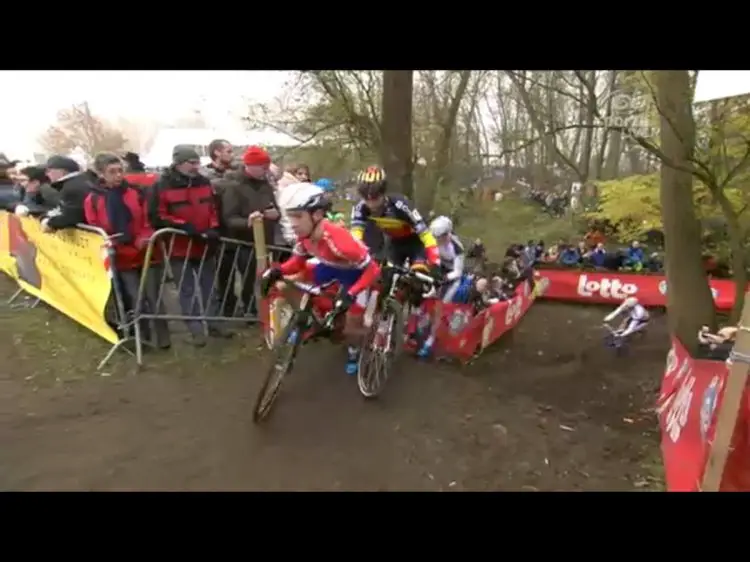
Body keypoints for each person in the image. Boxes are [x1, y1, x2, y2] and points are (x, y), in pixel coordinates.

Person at [260, 183, 381, 376]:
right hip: (329, 267)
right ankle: (310, 318)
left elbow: (373, 270)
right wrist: (276, 270)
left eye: (298, 216)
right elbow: (297, 262)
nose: (293, 223)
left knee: (350, 328)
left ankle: (356, 347)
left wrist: (351, 294)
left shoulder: (340, 242)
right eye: (290, 216)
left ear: (316, 215)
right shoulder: (305, 235)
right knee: (283, 284)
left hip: (357, 275)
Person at [83, 152, 171, 350]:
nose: (118, 175)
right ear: (101, 174)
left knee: (154, 296)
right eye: (112, 172)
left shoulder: (136, 192)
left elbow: (148, 218)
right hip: (122, 257)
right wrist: (115, 245)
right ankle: (143, 339)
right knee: (134, 299)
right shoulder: (93, 199)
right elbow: (96, 228)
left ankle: (164, 339)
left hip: (147, 253)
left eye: (120, 170)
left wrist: (145, 236)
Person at [147, 145, 231, 346]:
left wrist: (213, 227)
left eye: (197, 162)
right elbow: (157, 215)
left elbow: (212, 208)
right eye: (191, 163)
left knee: (209, 287)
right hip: (179, 246)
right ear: (178, 163)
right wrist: (184, 226)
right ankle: (195, 330)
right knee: (187, 290)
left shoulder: (204, 182)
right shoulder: (161, 185)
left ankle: (214, 323)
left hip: (205, 245)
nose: (196, 167)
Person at [350, 166, 441, 337]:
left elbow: (426, 235)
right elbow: (356, 239)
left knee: (417, 281)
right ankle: (384, 317)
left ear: (383, 192)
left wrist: (435, 263)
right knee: (384, 280)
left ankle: (414, 318)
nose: (371, 201)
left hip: (416, 243)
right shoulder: (360, 209)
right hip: (395, 244)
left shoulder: (400, 204)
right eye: (365, 196)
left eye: (375, 195)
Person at [218, 145, 280, 315]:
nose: (266, 170)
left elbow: (275, 208)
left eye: (267, 167)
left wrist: (276, 214)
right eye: (262, 167)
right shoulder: (233, 186)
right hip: (244, 243)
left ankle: (263, 307)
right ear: (250, 166)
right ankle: (250, 309)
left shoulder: (265, 185)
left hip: (266, 241)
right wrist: (248, 221)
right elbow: (229, 218)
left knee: (264, 276)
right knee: (248, 278)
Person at [417, 215, 466, 357]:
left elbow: (458, 272)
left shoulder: (457, 248)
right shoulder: (432, 240)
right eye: (434, 237)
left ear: (447, 234)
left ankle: (430, 341)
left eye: (439, 237)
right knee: (423, 299)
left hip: (450, 278)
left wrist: (443, 278)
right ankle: (417, 328)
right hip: (437, 271)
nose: (436, 241)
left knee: (440, 308)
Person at [41, 155, 98, 232]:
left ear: (62, 171)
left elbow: (71, 216)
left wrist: (49, 223)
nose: (46, 174)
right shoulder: (82, 180)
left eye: (48, 170)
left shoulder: (71, 188)